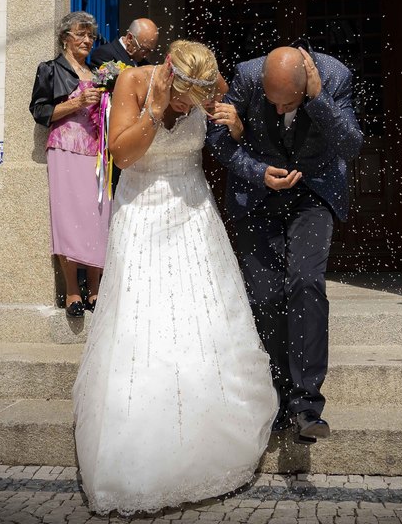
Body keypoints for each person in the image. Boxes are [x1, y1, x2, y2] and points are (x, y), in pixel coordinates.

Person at [73, 41, 277, 515]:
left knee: (203, 317)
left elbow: (232, 133)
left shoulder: (213, 85)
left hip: (193, 209)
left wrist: (236, 123)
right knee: (142, 319)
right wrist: (157, 110)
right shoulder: (133, 81)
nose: (189, 108)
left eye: (195, 100)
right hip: (142, 209)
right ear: (167, 71)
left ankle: (213, 434)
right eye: (183, 98)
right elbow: (121, 156)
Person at [207, 43, 363, 443]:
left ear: (306, 81)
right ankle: (275, 398)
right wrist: (258, 171)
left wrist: (318, 100)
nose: (277, 112)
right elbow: (219, 140)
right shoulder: (245, 74)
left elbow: (351, 145)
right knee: (264, 297)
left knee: (306, 282)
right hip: (260, 194)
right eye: (271, 102)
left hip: (314, 192)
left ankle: (307, 404)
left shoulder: (335, 76)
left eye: (287, 103)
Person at [30, 11, 108, 317]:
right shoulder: (50, 69)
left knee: (97, 215)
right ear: (66, 37)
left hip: (97, 151)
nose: (87, 40)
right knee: (68, 217)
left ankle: (96, 287)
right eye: (81, 34)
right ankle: (73, 291)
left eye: (90, 35)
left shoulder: (100, 73)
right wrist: (75, 103)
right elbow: (39, 110)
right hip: (66, 147)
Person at [89, 17, 158, 67]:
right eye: (144, 50)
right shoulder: (104, 54)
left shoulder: (146, 65)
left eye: (150, 51)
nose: (146, 55)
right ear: (129, 38)